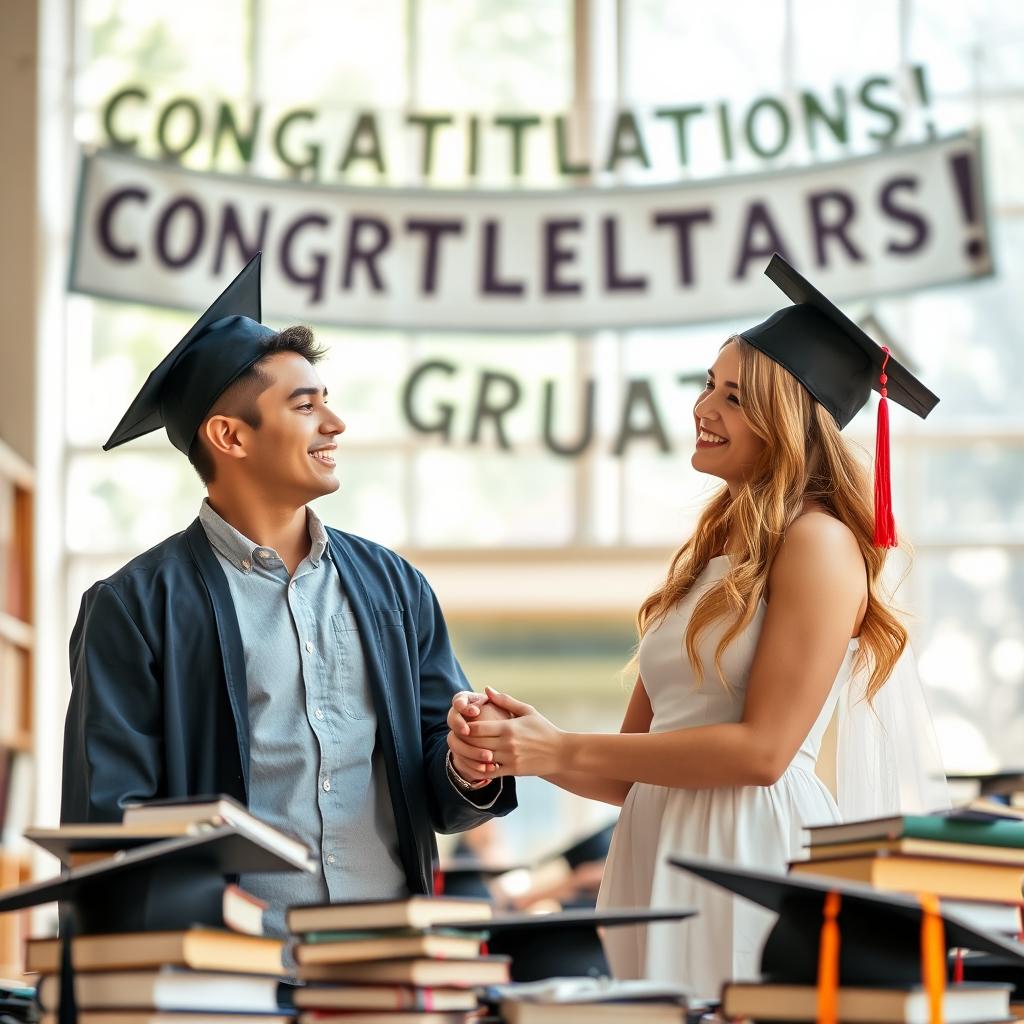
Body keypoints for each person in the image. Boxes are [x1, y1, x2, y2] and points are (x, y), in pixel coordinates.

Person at [445, 255, 948, 995]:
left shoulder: (817, 542)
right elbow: (630, 768)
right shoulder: (713, 553)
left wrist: (561, 744)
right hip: (658, 842)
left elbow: (764, 752)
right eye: (708, 385)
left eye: (735, 396)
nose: (704, 409)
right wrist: (529, 747)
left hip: (748, 847)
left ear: (785, 419)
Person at [61, 254, 516, 934]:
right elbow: (110, 823)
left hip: (384, 964)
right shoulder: (135, 608)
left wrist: (469, 761)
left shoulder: (394, 589)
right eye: (305, 406)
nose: (335, 424)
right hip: (227, 972)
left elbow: (443, 791)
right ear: (230, 435)